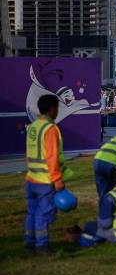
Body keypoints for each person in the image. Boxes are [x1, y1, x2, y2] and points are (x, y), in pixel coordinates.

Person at [25, 94, 71, 256]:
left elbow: (28, 154)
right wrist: (57, 180)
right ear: (52, 108)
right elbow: (52, 157)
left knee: (32, 212)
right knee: (43, 214)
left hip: (31, 178)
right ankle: (42, 246)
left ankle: (30, 242)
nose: (57, 111)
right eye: (57, 107)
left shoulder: (34, 126)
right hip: (45, 181)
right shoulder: (50, 129)